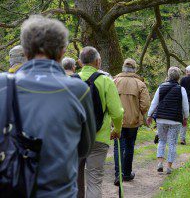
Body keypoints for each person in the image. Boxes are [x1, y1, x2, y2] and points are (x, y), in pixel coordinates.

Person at [0, 15, 96, 197]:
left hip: (10, 187)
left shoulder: (3, 85)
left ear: (26, 52)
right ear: (62, 52)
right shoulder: (78, 90)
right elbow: (85, 148)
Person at [77, 46, 124, 198]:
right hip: (98, 138)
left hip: (74, 139)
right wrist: (117, 129)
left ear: (79, 62)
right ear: (98, 62)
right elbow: (117, 113)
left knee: (74, 180)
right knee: (94, 180)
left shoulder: (70, 81)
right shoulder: (106, 81)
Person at [113, 58, 150, 185]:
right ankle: (127, 173)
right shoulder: (140, 84)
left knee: (118, 147)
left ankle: (118, 175)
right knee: (129, 146)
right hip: (133, 121)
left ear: (123, 68)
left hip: (117, 120)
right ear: (134, 69)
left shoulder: (114, 81)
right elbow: (145, 105)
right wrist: (139, 113)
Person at [147, 66, 189, 174]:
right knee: (172, 143)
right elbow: (185, 106)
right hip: (175, 120)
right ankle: (169, 167)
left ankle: (160, 163)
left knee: (161, 141)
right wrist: (186, 117)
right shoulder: (181, 89)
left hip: (161, 118)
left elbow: (154, 103)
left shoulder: (161, 87)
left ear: (168, 75)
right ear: (178, 77)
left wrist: (149, 115)